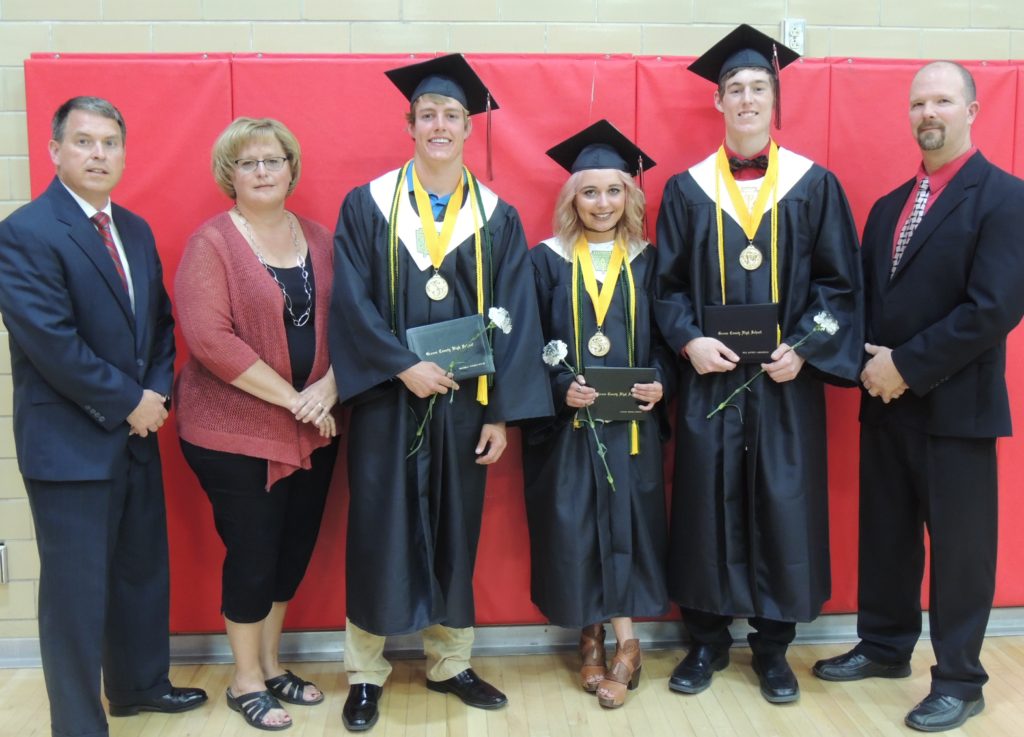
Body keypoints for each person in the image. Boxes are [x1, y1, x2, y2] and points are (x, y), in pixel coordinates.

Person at [330, 53, 552, 731]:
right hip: (385, 398)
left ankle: (450, 661)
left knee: (456, 527)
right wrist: (401, 364)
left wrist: (499, 414)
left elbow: (514, 313)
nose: (439, 125)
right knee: (377, 529)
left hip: (462, 404)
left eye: (451, 115)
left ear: (468, 126)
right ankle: (365, 671)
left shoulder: (497, 215)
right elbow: (352, 303)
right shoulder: (368, 205)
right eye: (427, 114)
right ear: (410, 123)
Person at [812, 61, 1024, 733]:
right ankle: (882, 646)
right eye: (917, 103)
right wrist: (861, 365)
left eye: (941, 100)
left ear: (972, 110)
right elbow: (865, 305)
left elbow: (992, 309)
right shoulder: (887, 207)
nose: (927, 112)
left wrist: (905, 365)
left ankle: (961, 679)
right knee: (888, 538)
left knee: (961, 551)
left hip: (955, 410)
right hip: (885, 404)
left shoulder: (1006, 198)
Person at [654, 25, 864, 704]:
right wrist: (688, 341)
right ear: (717, 103)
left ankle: (773, 649)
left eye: (758, 89)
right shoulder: (687, 192)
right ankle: (707, 641)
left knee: (782, 506)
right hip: (712, 384)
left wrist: (804, 346)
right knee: (706, 506)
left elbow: (840, 285)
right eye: (735, 89)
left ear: (775, 100)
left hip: (783, 384)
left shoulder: (815, 185)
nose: (746, 100)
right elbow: (668, 288)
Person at [0, 96, 207, 737]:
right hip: (70, 446)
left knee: (140, 572)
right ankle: (78, 722)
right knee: (74, 597)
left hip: (137, 435)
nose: (99, 154)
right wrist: (131, 404)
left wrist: (155, 398)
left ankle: (139, 687)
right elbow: (52, 344)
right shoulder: (25, 232)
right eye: (85, 142)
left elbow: (161, 327)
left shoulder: (136, 230)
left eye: (110, 143)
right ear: (56, 150)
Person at [174, 117, 339, 731]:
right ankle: (244, 680)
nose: (263, 171)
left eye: (273, 160)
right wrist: (294, 398)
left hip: (317, 426)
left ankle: (271, 665)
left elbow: (354, 324)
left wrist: (328, 387)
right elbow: (209, 339)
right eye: (249, 163)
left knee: (291, 552)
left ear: (292, 167)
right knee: (253, 553)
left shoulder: (320, 240)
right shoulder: (211, 244)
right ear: (230, 175)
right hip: (233, 432)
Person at [522, 120, 671, 709]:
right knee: (576, 530)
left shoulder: (649, 260)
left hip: (633, 429)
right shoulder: (545, 262)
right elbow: (526, 344)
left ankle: (626, 644)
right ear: (572, 198)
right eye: (590, 192)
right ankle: (590, 631)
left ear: (629, 196)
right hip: (571, 432)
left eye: (614, 191)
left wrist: (661, 383)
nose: (602, 203)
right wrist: (560, 387)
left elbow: (669, 340)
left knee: (627, 531)